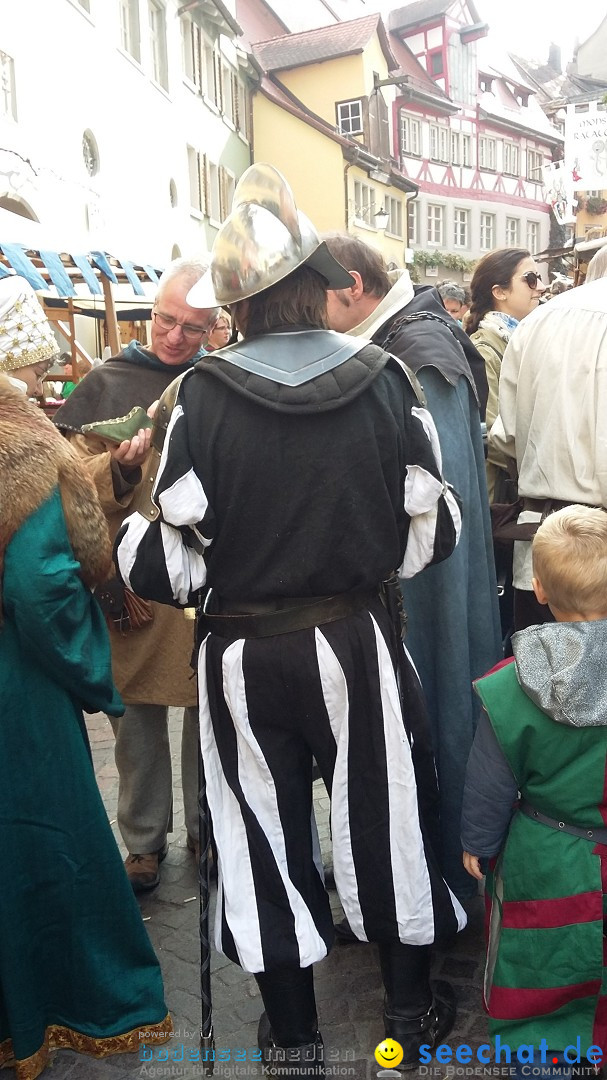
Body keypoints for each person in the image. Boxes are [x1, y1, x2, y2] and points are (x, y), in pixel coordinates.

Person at [114, 163, 467, 1075]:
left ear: (238, 307)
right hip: (357, 638)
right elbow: (437, 532)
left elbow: (163, 567)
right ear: (314, 282)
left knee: (258, 837)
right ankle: (405, 1012)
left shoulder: (200, 394)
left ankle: (294, 1037)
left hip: (239, 654)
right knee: (387, 823)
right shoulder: (387, 376)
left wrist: (135, 526)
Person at [0, 276, 171, 1080]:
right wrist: (92, 670)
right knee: (43, 843)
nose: (44, 387)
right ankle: (62, 1004)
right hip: (13, 692)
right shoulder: (19, 442)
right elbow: (40, 584)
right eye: (34, 372)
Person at [322, 233, 501, 902]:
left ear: (352, 289)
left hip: (428, 594)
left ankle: (441, 884)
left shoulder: (420, 355)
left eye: (320, 302)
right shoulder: (404, 343)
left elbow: (435, 512)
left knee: (439, 711)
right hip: (415, 588)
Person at [53, 257, 219, 891]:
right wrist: (120, 472)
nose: (174, 337)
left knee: (207, 716)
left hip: (202, 576)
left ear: (213, 329)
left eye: (192, 327)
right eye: (165, 320)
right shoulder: (107, 381)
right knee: (138, 724)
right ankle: (144, 841)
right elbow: (68, 486)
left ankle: (209, 830)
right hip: (130, 581)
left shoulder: (219, 385)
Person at [461, 504, 607, 1079]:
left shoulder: (512, 685)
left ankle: (542, 1061)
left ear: (539, 588)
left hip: (546, 857)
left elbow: (491, 780)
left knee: (539, 964)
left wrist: (478, 841)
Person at [490, 278, 607, 632]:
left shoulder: (539, 320)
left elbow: (505, 438)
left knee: (541, 679)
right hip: (561, 550)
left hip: (544, 555)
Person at [466, 248, 545, 505]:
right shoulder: (485, 350)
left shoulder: (516, 340)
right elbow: (493, 436)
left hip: (514, 488)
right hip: (498, 496)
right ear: (499, 292)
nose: (541, 287)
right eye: (530, 279)